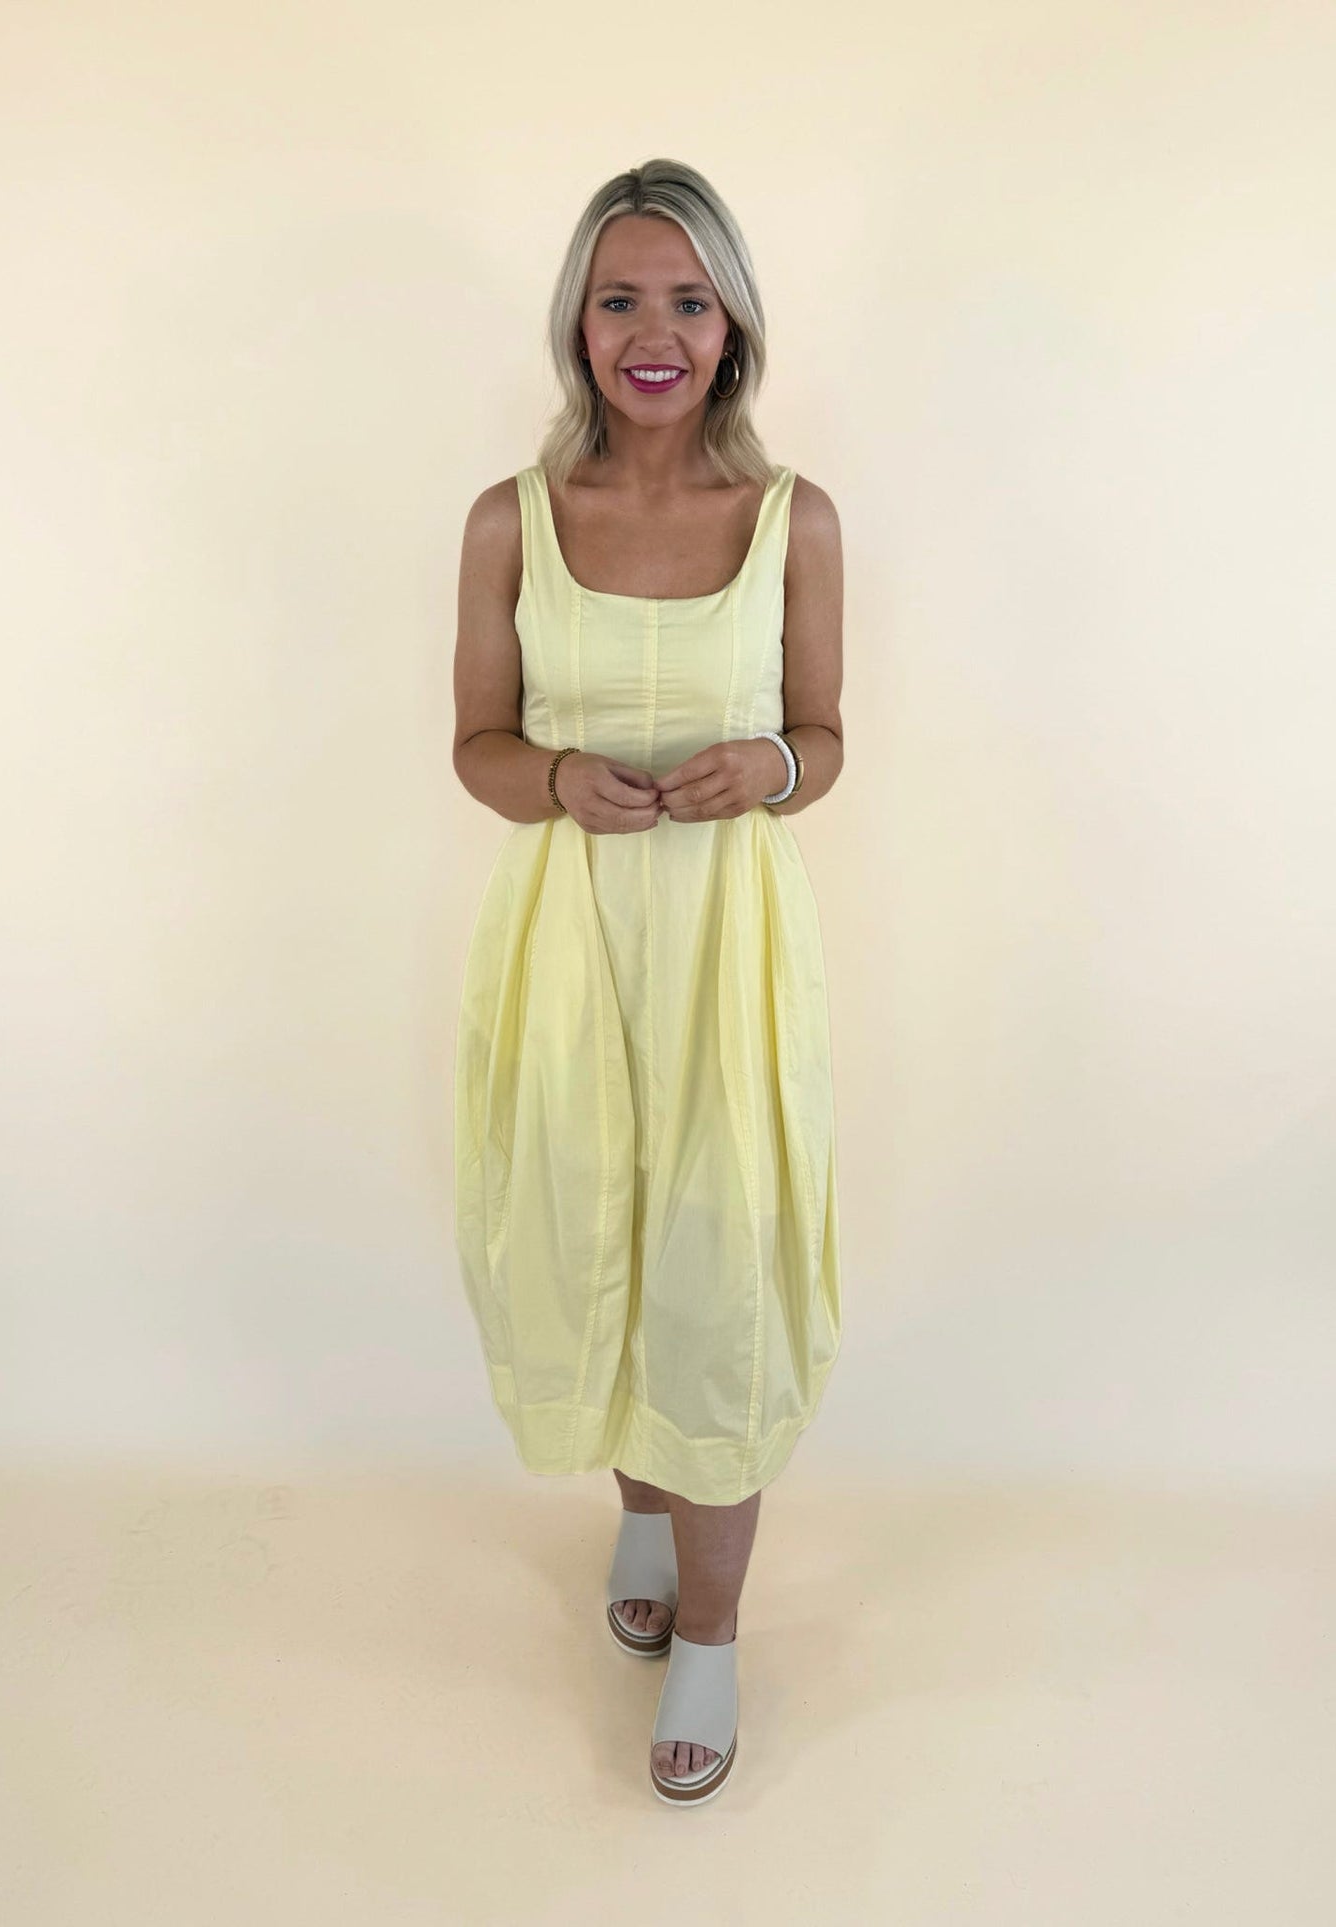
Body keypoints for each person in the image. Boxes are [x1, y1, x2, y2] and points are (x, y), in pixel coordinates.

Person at [451, 157, 844, 1806]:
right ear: (578, 324)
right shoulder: (508, 520)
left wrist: (761, 765)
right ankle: (638, 1504)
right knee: (589, 1221)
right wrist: (552, 783)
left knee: (716, 1262)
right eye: (621, 298)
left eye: (688, 298)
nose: (654, 331)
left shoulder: (792, 518)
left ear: (732, 323)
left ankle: (712, 1633)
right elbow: (473, 746)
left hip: (726, 955)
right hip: (566, 950)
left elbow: (824, 744)